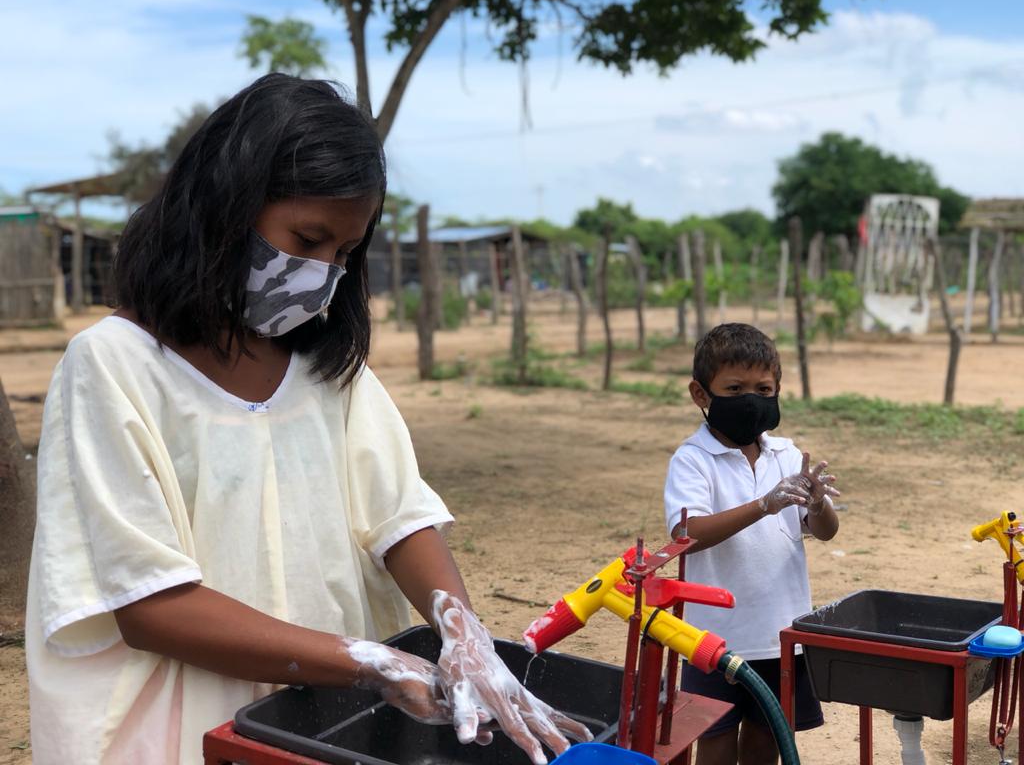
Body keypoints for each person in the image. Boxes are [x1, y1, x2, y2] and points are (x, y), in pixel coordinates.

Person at [25, 73, 589, 765]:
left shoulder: (326, 372)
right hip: (182, 730)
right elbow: (149, 604)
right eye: (308, 238)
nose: (323, 273)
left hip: (320, 723)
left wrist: (461, 631)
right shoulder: (114, 367)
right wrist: (373, 662)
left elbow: (400, 517)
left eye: (344, 255)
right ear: (223, 207)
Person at [663, 323, 840, 765]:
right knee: (716, 738)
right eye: (735, 388)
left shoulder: (787, 454)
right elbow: (688, 534)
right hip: (714, 638)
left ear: (778, 390)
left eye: (764, 388)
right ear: (701, 395)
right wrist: (763, 503)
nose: (751, 399)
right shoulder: (692, 460)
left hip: (781, 633)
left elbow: (825, 531)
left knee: (768, 736)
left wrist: (818, 504)